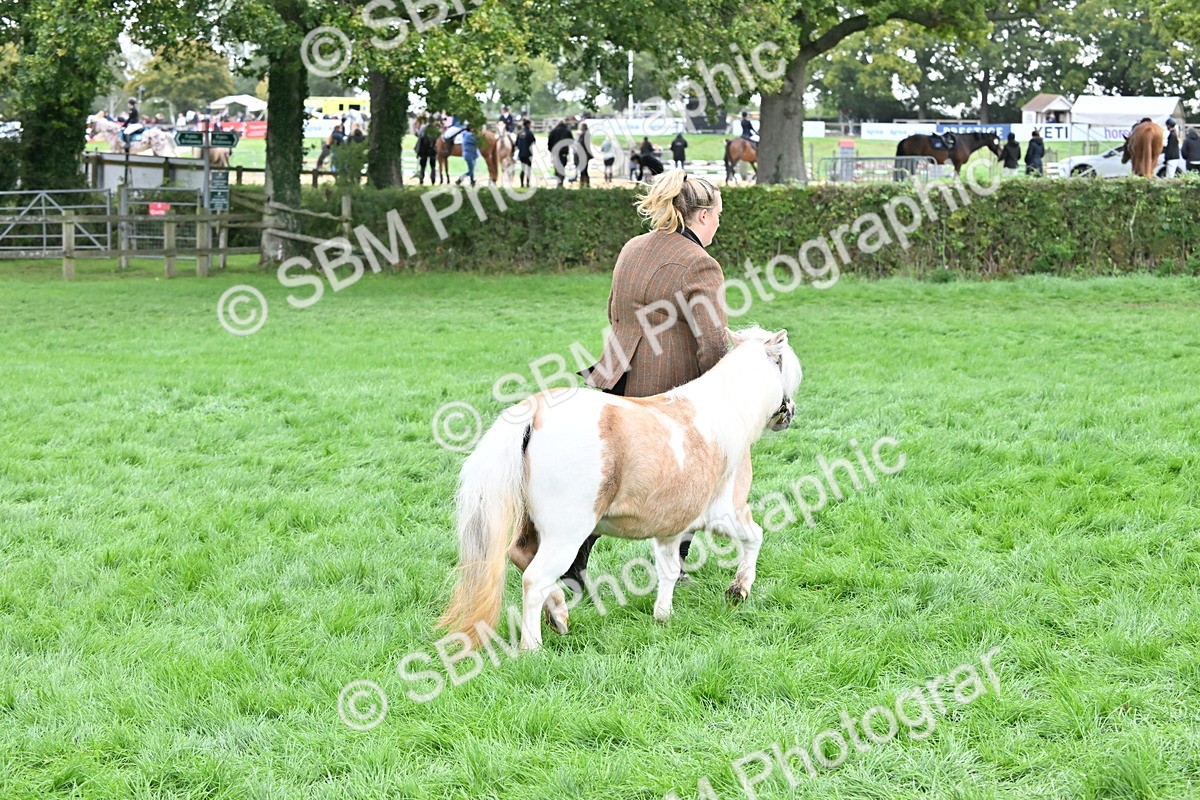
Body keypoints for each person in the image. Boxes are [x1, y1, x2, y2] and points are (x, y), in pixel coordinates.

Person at [571, 171, 729, 588]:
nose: (718, 224)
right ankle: (673, 570)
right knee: (698, 473)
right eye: (717, 215)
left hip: (615, 378)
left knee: (599, 477)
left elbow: (612, 311)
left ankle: (571, 568)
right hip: (671, 391)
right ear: (700, 217)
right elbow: (712, 341)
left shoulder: (633, 247)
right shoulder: (701, 264)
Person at [547, 119, 574, 187]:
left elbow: (550, 141)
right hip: (564, 151)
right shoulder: (567, 131)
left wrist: (550, 149)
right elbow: (571, 141)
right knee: (562, 166)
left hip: (555, 151)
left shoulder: (554, 131)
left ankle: (558, 178)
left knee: (556, 165)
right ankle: (561, 181)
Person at [415, 115, 439, 184]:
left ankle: (421, 179)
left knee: (423, 165)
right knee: (433, 165)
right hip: (432, 149)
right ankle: (433, 179)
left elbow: (420, 137)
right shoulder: (435, 129)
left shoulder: (423, 127)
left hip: (424, 149)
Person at [515, 118, 535, 188]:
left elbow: (516, 144)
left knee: (522, 169)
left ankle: (522, 184)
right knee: (528, 169)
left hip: (521, 154)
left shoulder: (520, 132)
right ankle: (528, 183)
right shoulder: (530, 133)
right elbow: (533, 142)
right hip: (528, 153)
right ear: (528, 124)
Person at [577, 122, 593, 187]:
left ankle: (583, 184)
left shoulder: (583, 135)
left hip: (583, 155)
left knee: (583, 170)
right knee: (584, 170)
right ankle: (585, 184)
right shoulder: (587, 134)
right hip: (585, 154)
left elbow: (580, 144)